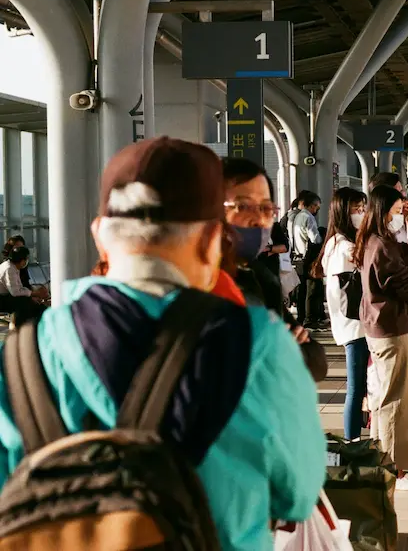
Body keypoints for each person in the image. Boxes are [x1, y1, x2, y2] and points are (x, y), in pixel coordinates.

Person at [0, 137, 325, 550]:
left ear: (100, 235)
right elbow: (297, 494)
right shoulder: (256, 342)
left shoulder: (21, 357)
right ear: (211, 238)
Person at [222, 157, 328, 383]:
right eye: (242, 207)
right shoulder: (190, 291)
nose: (258, 219)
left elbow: (315, 365)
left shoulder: (259, 279)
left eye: (265, 208)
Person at [356, 184, 408, 491]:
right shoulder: (381, 245)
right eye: (398, 211)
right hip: (391, 327)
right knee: (398, 399)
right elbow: (399, 279)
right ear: (383, 211)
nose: (401, 216)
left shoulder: (374, 240)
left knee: (385, 397)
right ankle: (397, 471)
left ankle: (382, 460)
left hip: (380, 326)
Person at [321, 187, 369, 440]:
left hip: (351, 323)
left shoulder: (335, 243)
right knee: (355, 387)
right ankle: (352, 441)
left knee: (359, 385)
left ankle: (356, 437)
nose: (360, 214)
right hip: (355, 325)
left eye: (363, 208)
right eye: (355, 209)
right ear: (342, 211)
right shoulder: (345, 247)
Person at [291, 191, 325, 328]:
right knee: (313, 289)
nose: (316, 209)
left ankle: (302, 317)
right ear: (310, 205)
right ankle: (311, 319)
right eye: (316, 206)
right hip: (309, 258)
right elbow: (314, 238)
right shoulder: (308, 217)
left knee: (302, 290)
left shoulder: (297, 217)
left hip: (298, 257)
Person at [0, 246, 47, 323]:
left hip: (6, 297)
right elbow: (15, 292)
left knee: (30, 302)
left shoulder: (12, 267)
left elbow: (19, 288)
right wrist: (33, 294)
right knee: (27, 304)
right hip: (2, 299)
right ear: (22, 260)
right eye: (26, 259)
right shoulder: (9, 269)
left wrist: (31, 295)